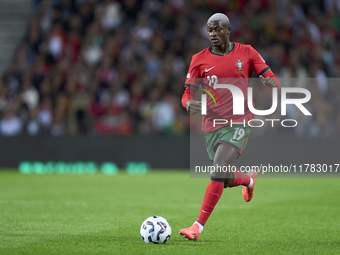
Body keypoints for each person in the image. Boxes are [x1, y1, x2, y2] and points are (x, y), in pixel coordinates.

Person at [179, 13, 281, 241]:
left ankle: (197, 227)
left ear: (228, 30)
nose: (213, 34)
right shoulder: (198, 59)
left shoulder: (247, 52)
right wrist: (188, 104)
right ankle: (248, 180)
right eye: (209, 30)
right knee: (223, 177)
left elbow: (271, 77)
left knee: (219, 166)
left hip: (239, 120)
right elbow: (186, 93)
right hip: (211, 125)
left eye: (217, 29)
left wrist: (271, 82)